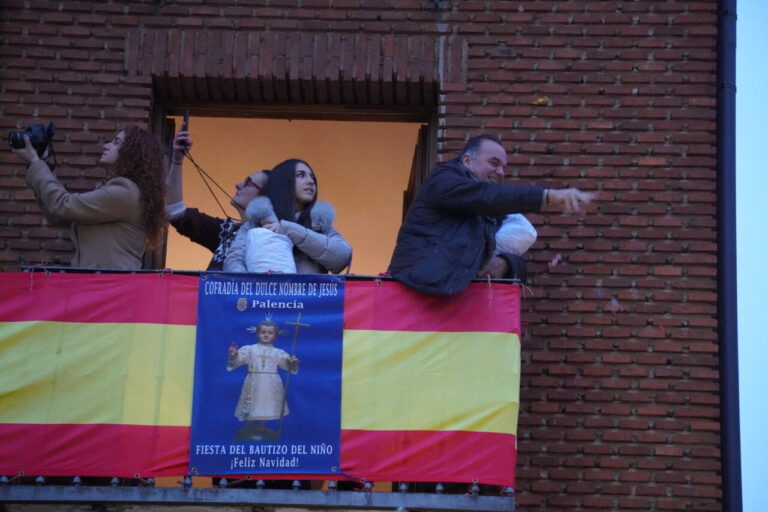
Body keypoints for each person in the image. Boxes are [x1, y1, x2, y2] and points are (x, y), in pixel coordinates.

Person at [388, 134, 594, 295]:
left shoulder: (482, 206)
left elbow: (509, 250)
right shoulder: (445, 181)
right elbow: (486, 197)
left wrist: (506, 263)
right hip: (412, 292)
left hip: (446, 299)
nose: (502, 172)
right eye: (494, 164)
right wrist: (549, 196)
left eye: (504, 167)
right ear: (467, 160)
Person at [11, 126, 167, 269]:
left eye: (116, 142)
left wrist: (36, 163)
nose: (106, 146)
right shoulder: (128, 191)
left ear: (132, 153)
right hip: (103, 287)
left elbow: (64, 206)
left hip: (109, 288)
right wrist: (40, 164)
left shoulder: (125, 191)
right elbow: (58, 216)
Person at [223, 159, 352, 274]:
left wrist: (289, 229)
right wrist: (256, 287)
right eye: (301, 175)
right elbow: (233, 263)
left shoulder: (321, 225)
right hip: (262, 301)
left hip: (307, 301)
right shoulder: (254, 224)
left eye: (312, 177)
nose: (311, 182)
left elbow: (342, 257)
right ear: (282, 182)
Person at [165, 130, 270, 270]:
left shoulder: (276, 237)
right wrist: (177, 161)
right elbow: (175, 213)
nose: (238, 185)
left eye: (248, 183)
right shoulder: (227, 230)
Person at [227, 320, 300, 441]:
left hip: (271, 383)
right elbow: (238, 359)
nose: (266, 335)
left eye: (270, 333)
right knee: (252, 403)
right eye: (263, 332)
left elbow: (286, 363)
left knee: (266, 403)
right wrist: (234, 355)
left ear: (275, 336)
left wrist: (291, 362)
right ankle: (248, 427)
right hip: (254, 381)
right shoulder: (249, 349)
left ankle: (262, 426)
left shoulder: (278, 352)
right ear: (257, 334)